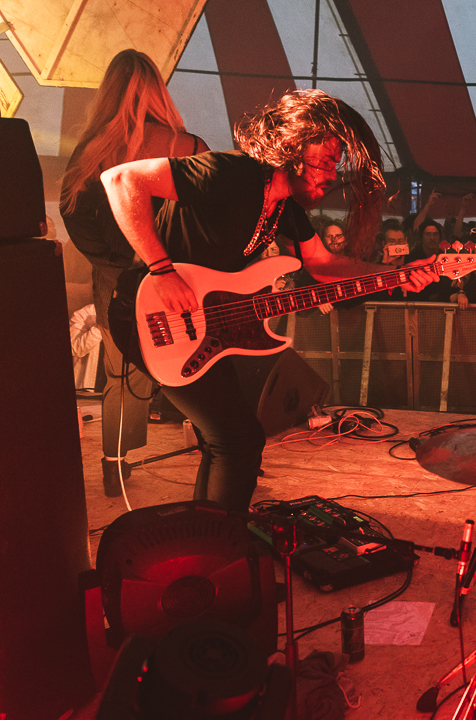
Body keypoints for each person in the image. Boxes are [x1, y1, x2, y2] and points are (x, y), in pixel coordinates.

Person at [101, 89, 437, 516]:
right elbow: (121, 180)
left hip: (202, 326)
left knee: (227, 440)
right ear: (294, 147)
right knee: (237, 440)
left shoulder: (285, 209)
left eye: (336, 165)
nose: (332, 174)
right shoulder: (232, 172)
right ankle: (221, 548)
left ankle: (210, 539)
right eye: (326, 160)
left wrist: (396, 276)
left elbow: (323, 265)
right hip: (146, 310)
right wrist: (161, 269)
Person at [60, 49, 208, 497]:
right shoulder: (187, 147)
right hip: (176, 281)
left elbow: (73, 216)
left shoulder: (91, 152)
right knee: (199, 364)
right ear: (158, 93)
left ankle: (114, 464)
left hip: (115, 284)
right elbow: (203, 219)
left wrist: (112, 260)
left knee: (121, 375)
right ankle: (221, 451)